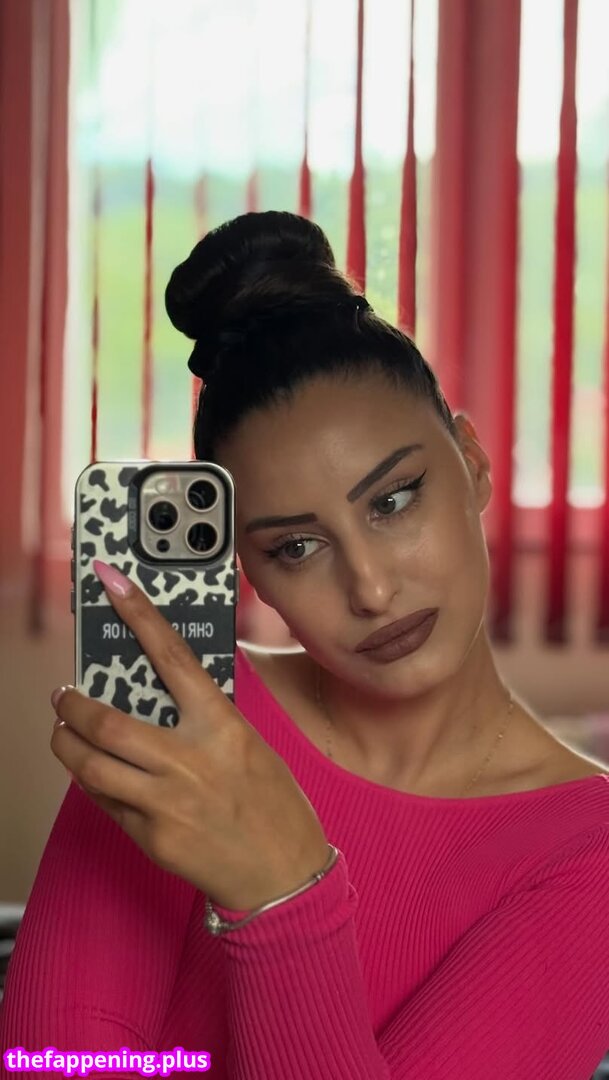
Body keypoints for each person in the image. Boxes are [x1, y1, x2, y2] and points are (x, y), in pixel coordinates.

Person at [2, 210, 609, 1080]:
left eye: (393, 500)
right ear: (247, 568)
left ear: (471, 463)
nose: (370, 589)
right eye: (295, 547)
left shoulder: (586, 850)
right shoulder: (193, 720)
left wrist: (283, 893)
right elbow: (55, 1063)